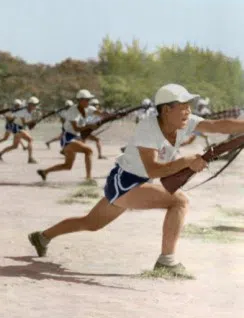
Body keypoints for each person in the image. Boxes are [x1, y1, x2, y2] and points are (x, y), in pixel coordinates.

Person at [28, 84, 244, 276]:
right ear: (167, 109)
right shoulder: (148, 128)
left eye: (189, 106)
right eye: (184, 106)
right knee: (179, 201)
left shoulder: (184, 122)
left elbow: (220, 125)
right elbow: (154, 168)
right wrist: (187, 162)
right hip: (126, 182)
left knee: (91, 223)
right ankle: (166, 262)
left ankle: (42, 237)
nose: (189, 110)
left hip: (131, 182)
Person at [36, 90, 97, 183]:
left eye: (89, 100)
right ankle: (88, 178)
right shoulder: (73, 110)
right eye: (87, 100)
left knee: (68, 166)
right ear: (81, 100)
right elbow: (76, 128)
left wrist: (117, 115)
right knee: (89, 151)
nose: (89, 102)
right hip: (68, 138)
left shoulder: (88, 108)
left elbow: (102, 114)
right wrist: (88, 126)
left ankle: (45, 172)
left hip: (74, 138)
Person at [0, 96, 39, 164]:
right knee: (30, 140)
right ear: (30, 105)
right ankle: (30, 158)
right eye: (34, 105)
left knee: (14, 146)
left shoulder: (28, 112)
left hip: (18, 129)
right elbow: (24, 123)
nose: (35, 106)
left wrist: (33, 123)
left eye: (36, 105)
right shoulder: (23, 111)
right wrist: (33, 121)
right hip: (17, 128)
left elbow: (28, 126)